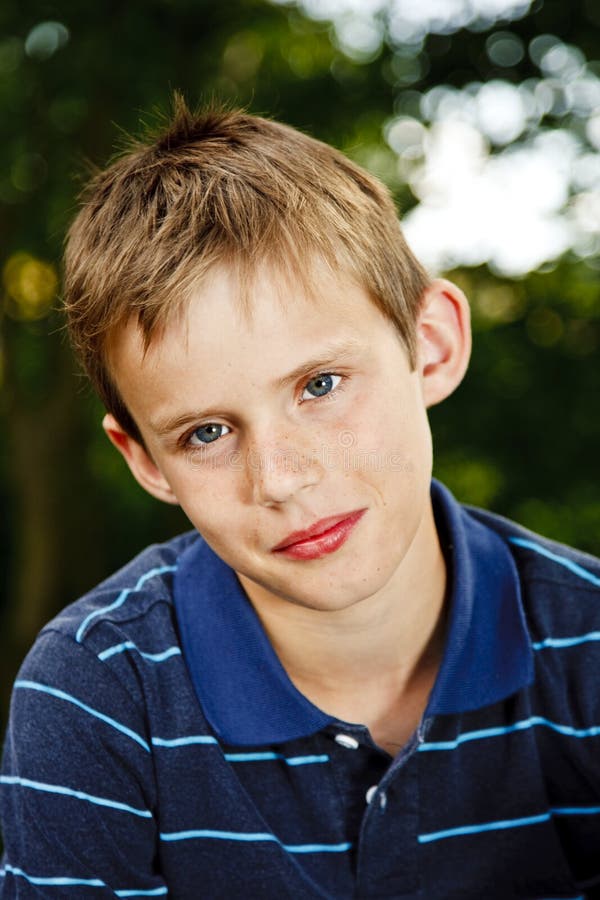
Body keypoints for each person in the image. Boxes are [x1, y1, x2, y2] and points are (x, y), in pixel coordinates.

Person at [1, 96, 599, 900]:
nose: (280, 479)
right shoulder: (99, 693)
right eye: (206, 434)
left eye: (320, 385)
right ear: (144, 460)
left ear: (432, 346)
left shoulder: (588, 650)